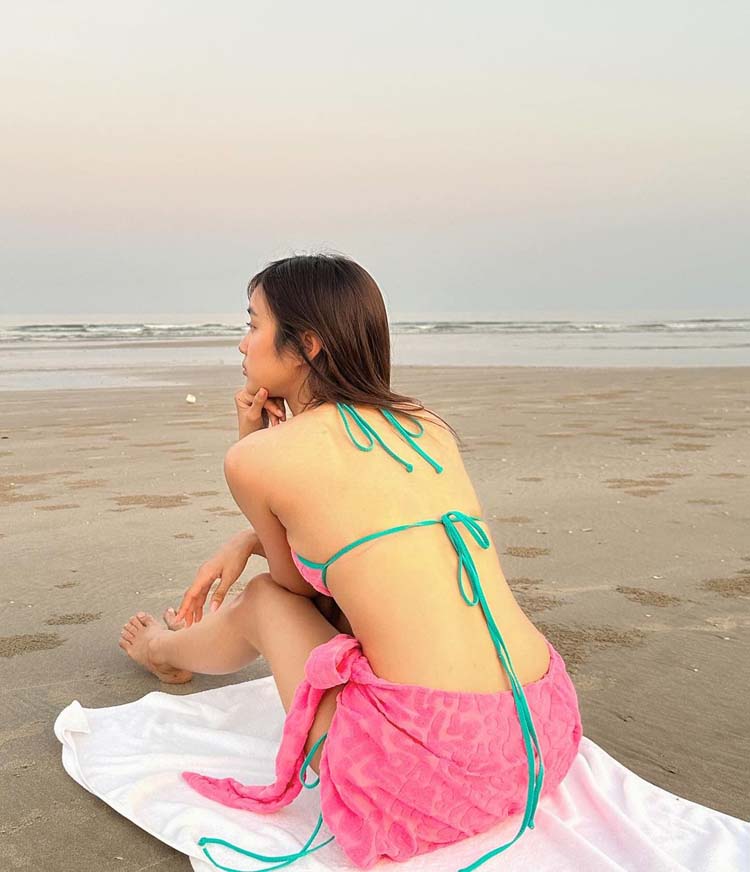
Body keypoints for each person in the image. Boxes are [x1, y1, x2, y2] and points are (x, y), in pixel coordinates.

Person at [119, 253, 582, 871]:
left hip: (429, 776)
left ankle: (163, 653)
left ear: (306, 344)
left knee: (263, 599)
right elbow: (358, 543)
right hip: (541, 730)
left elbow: (292, 587)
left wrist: (253, 454)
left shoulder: (259, 458)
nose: (242, 342)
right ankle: (174, 650)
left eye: (253, 323)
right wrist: (250, 535)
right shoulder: (424, 424)